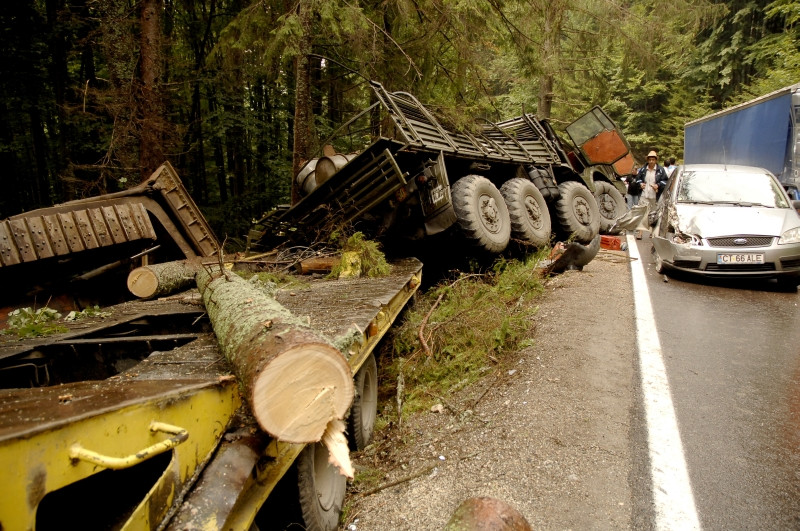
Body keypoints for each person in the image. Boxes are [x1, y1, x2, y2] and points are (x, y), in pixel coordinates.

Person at [632, 150, 668, 238]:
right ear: (648, 160)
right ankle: (640, 233)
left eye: (653, 159)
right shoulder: (644, 169)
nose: (651, 161)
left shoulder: (660, 170)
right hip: (644, 195)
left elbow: (665, 181)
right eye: (650, 159)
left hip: (654, 196)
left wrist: (658, 185)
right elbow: (637, 179)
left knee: (653, 215)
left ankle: (652, 232)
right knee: (642, 213)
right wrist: (640, 184)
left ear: (656, 160)